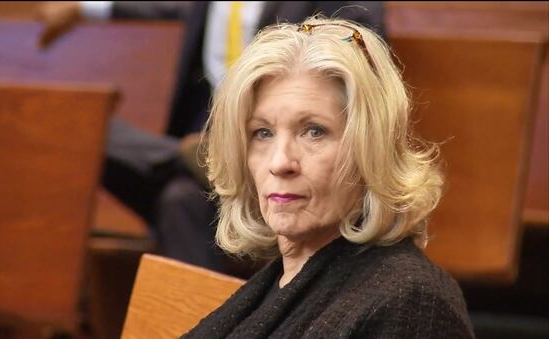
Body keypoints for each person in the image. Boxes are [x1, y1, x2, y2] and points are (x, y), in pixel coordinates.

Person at [37, 2, 387, 275]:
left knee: (178, 198)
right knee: (86, 130)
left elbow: (363, 47)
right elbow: (167, 7)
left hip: (278, 147)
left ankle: (204, 160)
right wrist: (84, 6)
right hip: (206, 143)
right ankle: (192, 158)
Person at [181, 16, 475, 338]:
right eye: (262, 133)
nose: (280, 162)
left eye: (314, 132)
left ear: (371, 148)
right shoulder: (279, 281)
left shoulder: (413, 303)